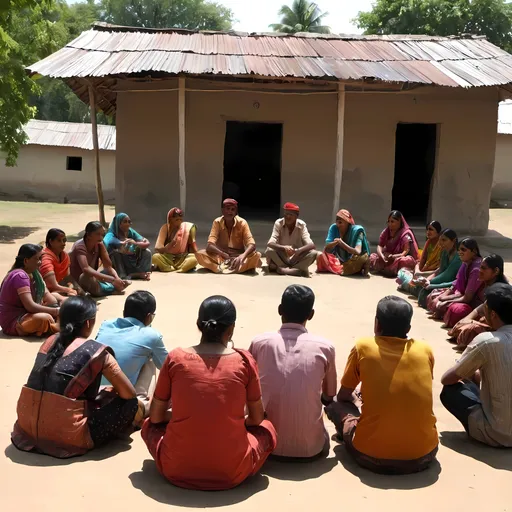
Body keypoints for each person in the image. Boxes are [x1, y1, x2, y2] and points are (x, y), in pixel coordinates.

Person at [141, 296, 276, 490]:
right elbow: (255, 419)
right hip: (232, 472)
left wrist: (179, 417)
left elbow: (155, 417)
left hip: (175, 469)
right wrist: (234, 421)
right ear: (231, 330)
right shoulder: (245, 362)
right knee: (267, 428)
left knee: (148, 426)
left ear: (198, 325)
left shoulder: (176, 358)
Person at [11, 296, 141, 458]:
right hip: (67, 436)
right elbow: (129, 394)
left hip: (26, 427)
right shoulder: (96, 351)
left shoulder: (49, 341)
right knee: (130, 403)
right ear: (88, 323)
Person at [325, 296, 438, 474]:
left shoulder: (363, 347)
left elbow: (343, 396)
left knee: (335, 407)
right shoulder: (425, 350)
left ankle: (348, 433)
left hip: (371, 455)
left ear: (377, 324)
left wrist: (357, 398)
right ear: (408, 328)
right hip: (424, 454)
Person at [249, 285, 336, 460]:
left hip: (264, 443)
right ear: (311, 314)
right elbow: (329, 395)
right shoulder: (325, 347)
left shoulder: (259, 343)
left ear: (280, 310)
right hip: (311, 449)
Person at [441, 283, 512, 447]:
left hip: (497, 434)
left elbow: (447, 379)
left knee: (451, 391)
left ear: (493, 314)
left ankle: (483, 426)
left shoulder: (487, 341)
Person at [96, 291, 167, 411]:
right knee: (150, 360)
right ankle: (143, 404)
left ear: (124, 313)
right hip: (122, 400)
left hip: (95, 394)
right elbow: (167, 366)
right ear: (149, 316)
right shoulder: (151, 335)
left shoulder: (106, 325)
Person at [448, 254, 509, 348]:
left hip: (501, 328)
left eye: (484, 268)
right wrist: (467, 319)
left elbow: (498, 321)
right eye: (480, 267)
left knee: (469, 330)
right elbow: (482, 307)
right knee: (462, 322)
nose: (479, 271)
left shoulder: (500, 291)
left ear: (496, 271)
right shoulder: (487, 284)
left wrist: (473, 322)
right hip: (487, 319)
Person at [0, 244, 59, 337]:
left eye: (41, 258)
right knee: (45, 318)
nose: (40, 262)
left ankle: (47, 328)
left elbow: (49, 298)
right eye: (37, 259)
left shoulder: (34, 274)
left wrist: (57, 308)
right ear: (26, 261)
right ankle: (54, 328)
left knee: (64, 308)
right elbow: (30, 306)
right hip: (14, 321)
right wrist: (56, 311)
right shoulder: (20, 276)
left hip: (27, 314)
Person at [427, 237, 483, 328]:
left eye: (463, 250)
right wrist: (444, 296)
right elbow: (456, 283)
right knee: (434, 295)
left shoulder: (476, 269)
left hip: (476, 302)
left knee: (456, 310)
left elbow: (467, 298)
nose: (460, 252)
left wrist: (446, 300)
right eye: (459, 250)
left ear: (474, 252)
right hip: (461, 294)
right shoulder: (465, 263)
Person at [195, 199, 261, 274]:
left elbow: (252, 245)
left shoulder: (242, 223)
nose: (230, 212)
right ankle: (226, 268)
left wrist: (242, 256)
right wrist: (222, 254)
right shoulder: (217, 222)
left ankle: (226, 267)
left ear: (236, 212)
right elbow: (209, 245)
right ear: (222, 211)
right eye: (228, 209)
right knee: (200, 254)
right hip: (221, 256)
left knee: (256, 255)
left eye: (233, 209)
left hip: (237, 257)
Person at [69, 221, 130, 297]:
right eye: (98, 234)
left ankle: (114, 286)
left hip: (93, 279)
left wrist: (117, 278)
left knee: (107, 272)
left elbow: (108, 266)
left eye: (102, 234)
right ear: (88, 235)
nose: (101, 237)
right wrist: (113, 280)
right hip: (79, 281)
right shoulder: (80, 246)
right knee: (85, 276)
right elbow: (86, 269)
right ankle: (111, 288)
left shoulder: (99, 244)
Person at [265, 203, 317, 277]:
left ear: (296, 216)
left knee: (314, 253)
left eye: (291, 214)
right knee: (270, 250)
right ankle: (297, 270)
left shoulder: (301, 225)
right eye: (286, 214)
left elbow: (311, 245)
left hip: (296, 257)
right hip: (282, 256)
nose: (288, 217)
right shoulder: (278, 223)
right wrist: (284, 247)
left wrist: (298, 251)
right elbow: (270, 243)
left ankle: (284, 270)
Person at [316, 209, 370, 276]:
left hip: (353, 258)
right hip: (338, 260)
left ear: (347, 223)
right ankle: (343, 268)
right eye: (337, 222)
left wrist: (342, 244)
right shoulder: (334, 228)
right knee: (320, 255)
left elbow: (358, 251)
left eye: (340, 223)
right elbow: (327, 247)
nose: (338, 225)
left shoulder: (357, 231)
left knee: (362, 257)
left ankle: (359, 268)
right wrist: (335, 243)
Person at [417, 229, 462, 308]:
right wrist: (427, 279)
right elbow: (440, 270)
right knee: (419, 286)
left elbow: (447, 276)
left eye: (444, 240)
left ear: (454, 240)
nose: (440, 243)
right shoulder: (444, 252)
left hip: (453, 286)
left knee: (428, 296)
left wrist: (431, 283)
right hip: (441, 283)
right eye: (440, 240)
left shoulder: (458, 258)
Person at [369, 210, 419, 277]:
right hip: (388, 256)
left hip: (399, 257)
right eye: (388, 221)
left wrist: (394, 256)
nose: (389, 224)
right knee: (372, 257)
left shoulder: (405, 234)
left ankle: (390, 269)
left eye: (392, 222)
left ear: (399, 222)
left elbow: (405, 251)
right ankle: (388, 269)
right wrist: (382, 256)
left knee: (406, 261)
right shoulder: (386, 232)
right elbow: (380, 245)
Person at [103, 213, 152, 280]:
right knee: (115, 253)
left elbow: (147, 243)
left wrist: (135, 243)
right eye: (125, 222)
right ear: (118, 223)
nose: (128, 224)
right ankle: (122, 275)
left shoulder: (130, 231)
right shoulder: (112, 233)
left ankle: (143, 272)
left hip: (130, 257)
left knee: (147, 252)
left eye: (129, 222)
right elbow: (107, 241)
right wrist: (121, 243)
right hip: (119, 261)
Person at [40, 228, 84, 303]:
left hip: (58, 288)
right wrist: (69, 290)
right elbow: (52, 285)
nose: (63, 243)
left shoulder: (64, 256)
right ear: (51, 241)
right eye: (59, 240)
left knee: (76, 291)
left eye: (64, 240)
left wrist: (79, 290)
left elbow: (67, 277)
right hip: (46, 291)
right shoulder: (46, 258)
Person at [397, 220, 442, 292]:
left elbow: (439, 270)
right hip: (424, 270)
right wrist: (418, 270)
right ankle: (412, 283)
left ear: (438, 232)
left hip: (433, 274)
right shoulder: (429, 242)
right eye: (427, 229)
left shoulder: (441, 246)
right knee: (402, 271)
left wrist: (421, 273)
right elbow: (422, 260)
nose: (428, 231)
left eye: (431, 229)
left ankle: (410, 285)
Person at [152, 207, 198, 273]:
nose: (179, 222)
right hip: (168, 258)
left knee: (194, 258)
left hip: (182, 258)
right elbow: (158, 247)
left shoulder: (186, 228)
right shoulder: (165, 228)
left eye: (180, 220)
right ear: (170, 220)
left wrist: (193, 243)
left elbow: (193, 249)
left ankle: (182, 268)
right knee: (155, 257)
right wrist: (170, 245)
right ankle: (167, 268)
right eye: (176, 220)